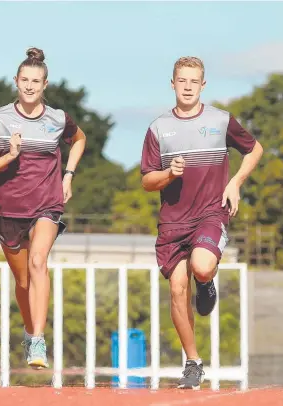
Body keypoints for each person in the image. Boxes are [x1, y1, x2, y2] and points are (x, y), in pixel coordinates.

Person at [141, 56, 263, 389]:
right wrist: (168, 174)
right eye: (182, 81)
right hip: (172, 222)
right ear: (173, 83)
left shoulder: (221, 120)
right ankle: (193, 363)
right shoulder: (157, 128)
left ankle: (206, 281)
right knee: (178, 291)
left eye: (194, 81)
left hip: (211, 211)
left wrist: (235, 182)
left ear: (203, 85)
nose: (188, 87)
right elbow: (147, 181)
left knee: (202, 266)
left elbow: (255, 150)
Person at [0, 47, 87, 369]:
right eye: (24, 80)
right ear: (15, 81)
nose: (29, 86)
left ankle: (38, 341)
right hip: (8, 209)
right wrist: (9, 155)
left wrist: (68, 175)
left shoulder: (58, 118)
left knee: (39, 262)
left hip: (47, 205)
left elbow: (79, 139)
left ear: (45, 85)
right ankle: (29, 330)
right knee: (23, 281)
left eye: (35, 81)